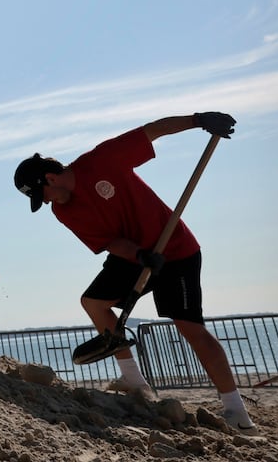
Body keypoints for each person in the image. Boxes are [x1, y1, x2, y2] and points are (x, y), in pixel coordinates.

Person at [13, 111, 255, 432]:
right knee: (94, 303)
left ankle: (236, 411)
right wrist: (139, 254)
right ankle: (134, 381)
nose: (45, 203)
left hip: (176, 250)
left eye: (40, 195)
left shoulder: (102, 160)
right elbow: (111, 241)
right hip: (134, 255)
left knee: (190, 328)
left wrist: (199, 120)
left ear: (51, 178)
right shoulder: (63, 210)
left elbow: (153, 131)